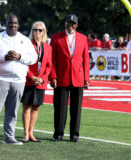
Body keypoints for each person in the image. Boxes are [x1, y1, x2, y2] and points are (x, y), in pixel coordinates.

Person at [0, 14, 37, 145]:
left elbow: (33, 58)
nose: (12, 25)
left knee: (12, 110)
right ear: (5, 24)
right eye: (10, 23)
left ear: (18, 25)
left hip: (18, 80)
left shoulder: (24, 40)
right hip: (0, 78)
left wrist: (20, 56)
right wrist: (4, 57)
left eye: (15, 23)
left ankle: (9, 137)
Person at [50, 14, 90, 142]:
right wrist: (53, 77)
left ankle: (74, 135)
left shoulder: (83, 39)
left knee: (76, 109)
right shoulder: (56, 38)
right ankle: (58, 134)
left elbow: (86, 60)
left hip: (78, 78)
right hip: (61, 78)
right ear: (65, 23)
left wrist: (87, 79)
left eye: (73, 24)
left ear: (76, 25)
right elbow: (52, 60)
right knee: (60, 108)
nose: (70, 25)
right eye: (68, 23)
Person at [21, 21, 51, 142]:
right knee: (27, 106)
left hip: (41, 82)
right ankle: (25, 134)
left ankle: (31, 132)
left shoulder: (48, 48)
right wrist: (32, 77)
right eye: (35, 29)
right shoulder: (27, 45)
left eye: (40, 30)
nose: (37, 32)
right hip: (29, 80)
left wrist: (42, 78)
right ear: (32, 31)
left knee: (36, 107)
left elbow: (49, 66)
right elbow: (24, 63)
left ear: (44, 32)